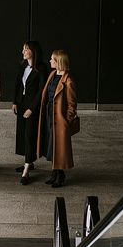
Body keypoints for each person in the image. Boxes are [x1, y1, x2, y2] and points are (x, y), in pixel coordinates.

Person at [37, 50, 77, 187]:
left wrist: (67, 120)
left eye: (52, 59)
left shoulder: (68, 80)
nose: (50, 61)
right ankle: (55, 173)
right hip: (49, 115)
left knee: (58, 146)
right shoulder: (53, 74)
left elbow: (72, 104)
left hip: (60, 119)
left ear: (59, 61)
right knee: (51, 145)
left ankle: (60, 176)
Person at [12, 41, 44, 185]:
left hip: (32, 106)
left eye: (26, 49)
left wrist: (32, 108)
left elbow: (41, 91)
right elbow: (17, 84)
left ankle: (26, 171)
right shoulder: (23, 65)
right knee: (23, 133)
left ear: (33, 51)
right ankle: (28, 161)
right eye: (23, 49)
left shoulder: (42, 68)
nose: (23, 51)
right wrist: (14, 102)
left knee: (30, 135)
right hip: (21, 102)